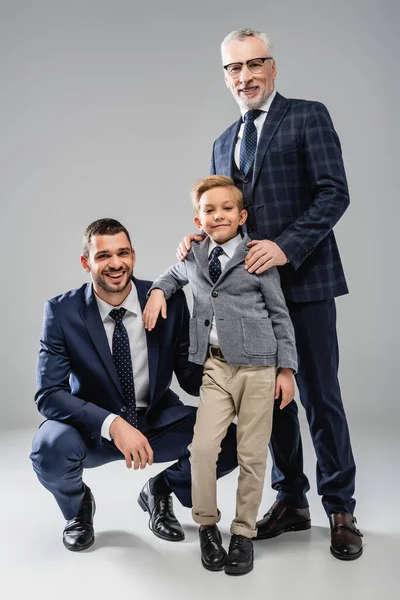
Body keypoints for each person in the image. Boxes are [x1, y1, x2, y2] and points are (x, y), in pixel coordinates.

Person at [177, 29, 363, 561]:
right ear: (226, 76)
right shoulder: (221, 141)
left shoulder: (308, 116)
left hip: (304, 283)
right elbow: (224, 215)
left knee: (320, 396)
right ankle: (291, 500)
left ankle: (341, 508)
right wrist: (197, 238)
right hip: (247, 300)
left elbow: (335, 192)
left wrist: (285, 248)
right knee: (270, 402)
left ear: (273, 67)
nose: (245, 77)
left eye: (255, 64)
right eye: (234, 69)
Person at [30, 218, 237, 552]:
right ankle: (78, 509)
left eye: (122, 253)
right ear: (86, 263)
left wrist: (241, 373)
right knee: (48, 448)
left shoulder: (167, 300)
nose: (115, 264)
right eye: (103, 256)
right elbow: (49, 394)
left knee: (231, 441)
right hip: (92, 427)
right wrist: (112, 425)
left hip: (155, 421)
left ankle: (160, 490)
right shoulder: (61, 311)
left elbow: (189, 376)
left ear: (133, 256)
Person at [143, 175, 297, 575]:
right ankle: (207, 525)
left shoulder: (256, 255)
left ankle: (243, 533)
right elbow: (172, 276)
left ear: (242, 215)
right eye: (209, 210)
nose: (219, 216)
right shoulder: (194, 255)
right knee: (204, 450)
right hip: (215, 366)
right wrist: (158, 290)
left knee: (250, 454)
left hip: (260, 367)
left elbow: (280, 316)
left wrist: (286, 369)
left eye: (227, 209)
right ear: (198, 219)